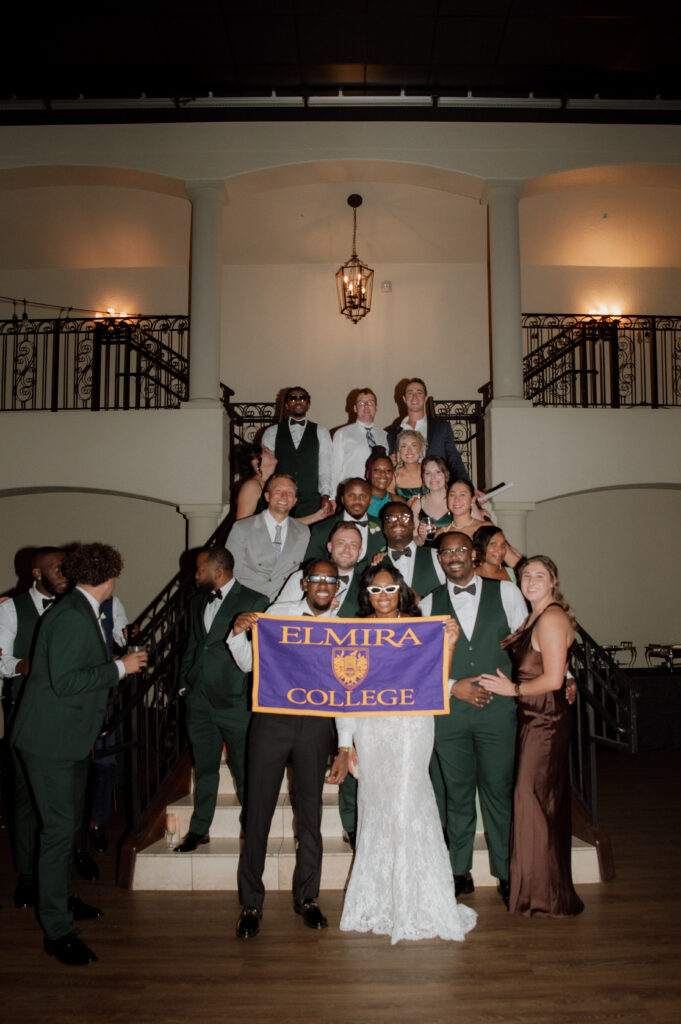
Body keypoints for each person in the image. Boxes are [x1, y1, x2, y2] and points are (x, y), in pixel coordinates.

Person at [11, 543, 147, 966]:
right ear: (110, 578)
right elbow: (66, 682)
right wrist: (121, 667)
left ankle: (64, 900)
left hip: (67, 738)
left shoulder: (79, 608)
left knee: (67, 828)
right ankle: (56, 930)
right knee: (56, 832)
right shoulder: (72, 615)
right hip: (49, 741)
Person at [339, 564, 477, 944]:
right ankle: (381, 899)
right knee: (378, 805)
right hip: (372, 727)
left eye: (389, 589)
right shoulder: (353, 632)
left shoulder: (422, 628)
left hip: (412, 725)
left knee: (409, 802)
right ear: (366, 594)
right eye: (375, 590)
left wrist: (447, 645)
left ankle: (418, 899)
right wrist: (346, 742)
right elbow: (347, 690)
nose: (382, 597)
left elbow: (433, 680)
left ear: (401, 591)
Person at [228, 559, 351, 939]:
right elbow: (250, 663)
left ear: (337, 587)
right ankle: (251, 902)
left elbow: (347, 692)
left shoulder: (342, 627)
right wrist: (237, 633)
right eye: (317, 579)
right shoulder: (276, 615)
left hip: (315, 726)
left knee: (311, 816)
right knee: (258, 814)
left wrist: (344, 746)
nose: (324, 585)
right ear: (304, 583)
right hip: (271, 721)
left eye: (331, 581)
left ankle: (308, 898)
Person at [419, 532, 528, 903]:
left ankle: (505, 870)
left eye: (460, 550)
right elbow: (419, 664)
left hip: (498, 713)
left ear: (473, 554)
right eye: (446, 552)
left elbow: (529, 647)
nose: (453, 557)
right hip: (449, 714)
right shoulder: (428, 603)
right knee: (457, 794)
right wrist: (452, 686)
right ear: (439, 559)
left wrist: (519, 687)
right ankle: (457, 870)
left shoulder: (507, 593)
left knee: (499, 792)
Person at [479, 556, 584, 917]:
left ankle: (545, 896)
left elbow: (553, 680)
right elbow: (561, 672)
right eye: (526, 575)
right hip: (535, 719)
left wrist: (514, 690)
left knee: (535, 803)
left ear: (553, 581)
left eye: (540, 575)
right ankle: (541, 892)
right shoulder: (537, 615)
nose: (531, 580)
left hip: (546, 721)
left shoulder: (552, 617)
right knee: (537, 804)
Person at [174, 547, 268, 853]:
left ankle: (251, 829)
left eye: (199, 569)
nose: (196, 575)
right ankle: (200, 828)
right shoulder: (197, 600)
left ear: (217, 571)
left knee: (244, 771)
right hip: (198, 699)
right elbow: (193, 645)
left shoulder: (255, 600)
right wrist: (183, 685)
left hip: (234, 701)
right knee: (204, 769)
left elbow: (258, 655)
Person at [0, 547, 69, 909]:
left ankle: (63, 874)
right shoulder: (10, 608)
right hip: (27, 712)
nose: (65, 575)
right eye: (57, 569)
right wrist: (24, 665)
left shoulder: (74, 606)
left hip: (67, 713)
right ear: (37, 573)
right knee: (26, 795)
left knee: (68, 795)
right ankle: (27, 875)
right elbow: (2, 660)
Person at [226, 473, 310, 601]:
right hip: (247, 604)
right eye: (278, 491)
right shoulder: (242, 528)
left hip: (284, 606)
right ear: (267, 496)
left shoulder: (303, 532)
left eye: (289, 492)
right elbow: (230, 573)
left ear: (294, 501)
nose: (284, 496)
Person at [261, 386, 334, 519]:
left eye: (302, 398)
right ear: (287, 405)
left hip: (311, 501)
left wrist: (326, 495)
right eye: (293, 398)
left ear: (308, 404)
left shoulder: (321, 432)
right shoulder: (271, 432)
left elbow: (325, 468)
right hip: (281, 500)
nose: (298, 401)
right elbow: (266, 470)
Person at [387, 377, 471, 485]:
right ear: (404, 398)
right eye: (410, 393)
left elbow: (454, 461)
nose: (414, 397)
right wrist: (389, 464)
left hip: (438, 492)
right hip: (406, 493)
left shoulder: (441, 427)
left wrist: (468, 488)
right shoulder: (393, 434)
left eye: (419, 392)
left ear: (425, 398)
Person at [304, 477, 383, 572]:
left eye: (363, 496)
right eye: (351, 495)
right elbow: (310, 568)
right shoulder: (322, 529)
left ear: (370, 500)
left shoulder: (382, 527)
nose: (357, 501)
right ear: (342, 499)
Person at [375, 501, 445, 597]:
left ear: (413, 524)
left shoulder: (436, 557)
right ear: (383, 526)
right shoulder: (376, 565)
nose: (398, 522)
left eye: (404, 518)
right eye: (391, 518)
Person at [331, 387, 388, 493]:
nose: (366, 406)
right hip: (351, 492)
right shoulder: (342, 434)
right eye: (361, 403)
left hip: (377, 492)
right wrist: (332, 497)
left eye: (370, 402)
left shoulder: (385, 436)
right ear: (355, 408)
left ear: (376, 407)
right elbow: (334, 469)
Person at [409, 455, 452, 547]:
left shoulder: (456, 500)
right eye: (428, 473)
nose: (433, 477)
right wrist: (421, 537)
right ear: (423, 477)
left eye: (438, 472)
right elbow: (416, 542)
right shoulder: (417, 505)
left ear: (446, 475)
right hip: (426, 555)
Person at [234, 442, 278, 520]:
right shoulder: (251, 486)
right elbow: (242, 524)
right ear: (255, 462)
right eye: (265, 451)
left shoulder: (272, 481)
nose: (271, 451)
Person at [392, 428, 427, 499]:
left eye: (414, 445)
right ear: (399, 451)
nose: (409, 450)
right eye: (404, 446)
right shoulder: (393, 476)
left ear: (421, 449)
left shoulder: (430, 472)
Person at [365, 448, 396, 518]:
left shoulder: (398, 501)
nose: (383, 474)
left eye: (388, 471)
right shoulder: (358, 500)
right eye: (377, 470)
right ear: (367, 474)